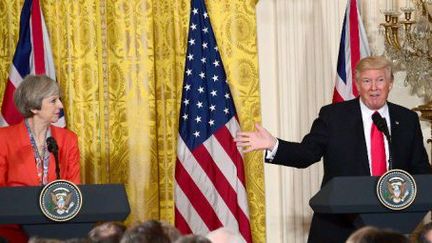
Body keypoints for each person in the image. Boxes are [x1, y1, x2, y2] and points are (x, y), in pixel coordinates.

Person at [235, 56, 432, 243]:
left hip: (391, 226)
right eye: (366, 81)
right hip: (340, 225)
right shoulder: (334, 116)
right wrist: (273, 144)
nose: (373, 87)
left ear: (390, 83)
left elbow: (420, 169)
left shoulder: (407, 119)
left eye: (380, 80)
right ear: (357, 85)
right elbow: (307, 153)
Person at [0, 75, 81, 242]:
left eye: (59, 99)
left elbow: (74, 187)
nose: (60, 105)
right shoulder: (3, 139)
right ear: (34, 107)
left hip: (58, 229)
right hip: (13, 230)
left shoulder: (68, 139)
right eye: (53, 100)